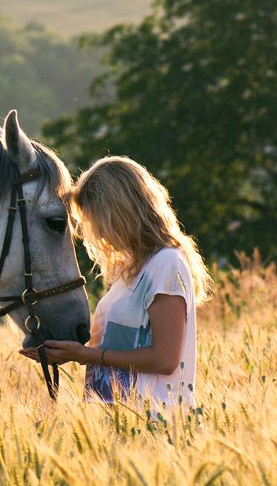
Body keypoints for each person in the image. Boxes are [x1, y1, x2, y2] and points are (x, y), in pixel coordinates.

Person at [20, 156, 212, 409]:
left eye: (97, 221)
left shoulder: (166, 263)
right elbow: (122, 346)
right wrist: (64, 351)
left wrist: (84, 355)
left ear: (118, 212)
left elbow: (165, 359)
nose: (97, 233)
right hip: (116, 419)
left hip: (151, 420)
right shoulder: (132, 269)